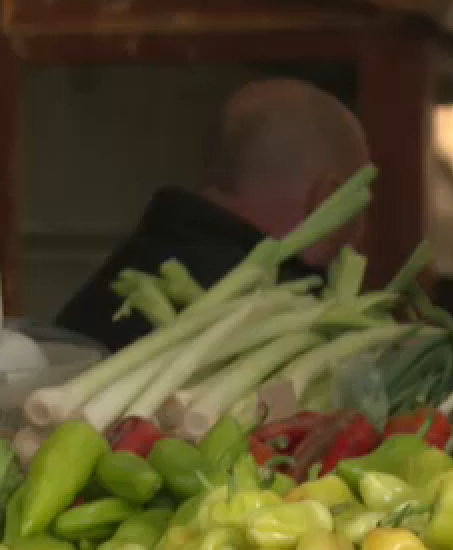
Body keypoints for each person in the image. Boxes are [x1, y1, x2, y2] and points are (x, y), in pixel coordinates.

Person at [56, 79, 371, 352]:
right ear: (328, 200)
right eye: (360, 211)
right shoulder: (287, 329)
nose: (360, 239)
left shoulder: (123, 272)